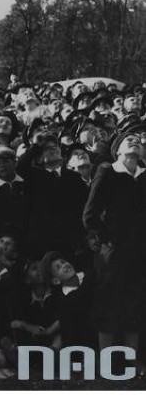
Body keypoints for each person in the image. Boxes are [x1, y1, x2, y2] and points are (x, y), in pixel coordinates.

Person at [81, 129, 146, 372]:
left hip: (140, 249)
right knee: (107, 302)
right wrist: (99, 236)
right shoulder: (108, 170)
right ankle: (106, 361)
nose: (135, 142)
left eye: (138, 141)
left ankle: (131, 360)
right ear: (117, 150)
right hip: (113, 249)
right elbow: (90, 211)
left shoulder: (144, 176)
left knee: (136, 302)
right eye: (129, 140)